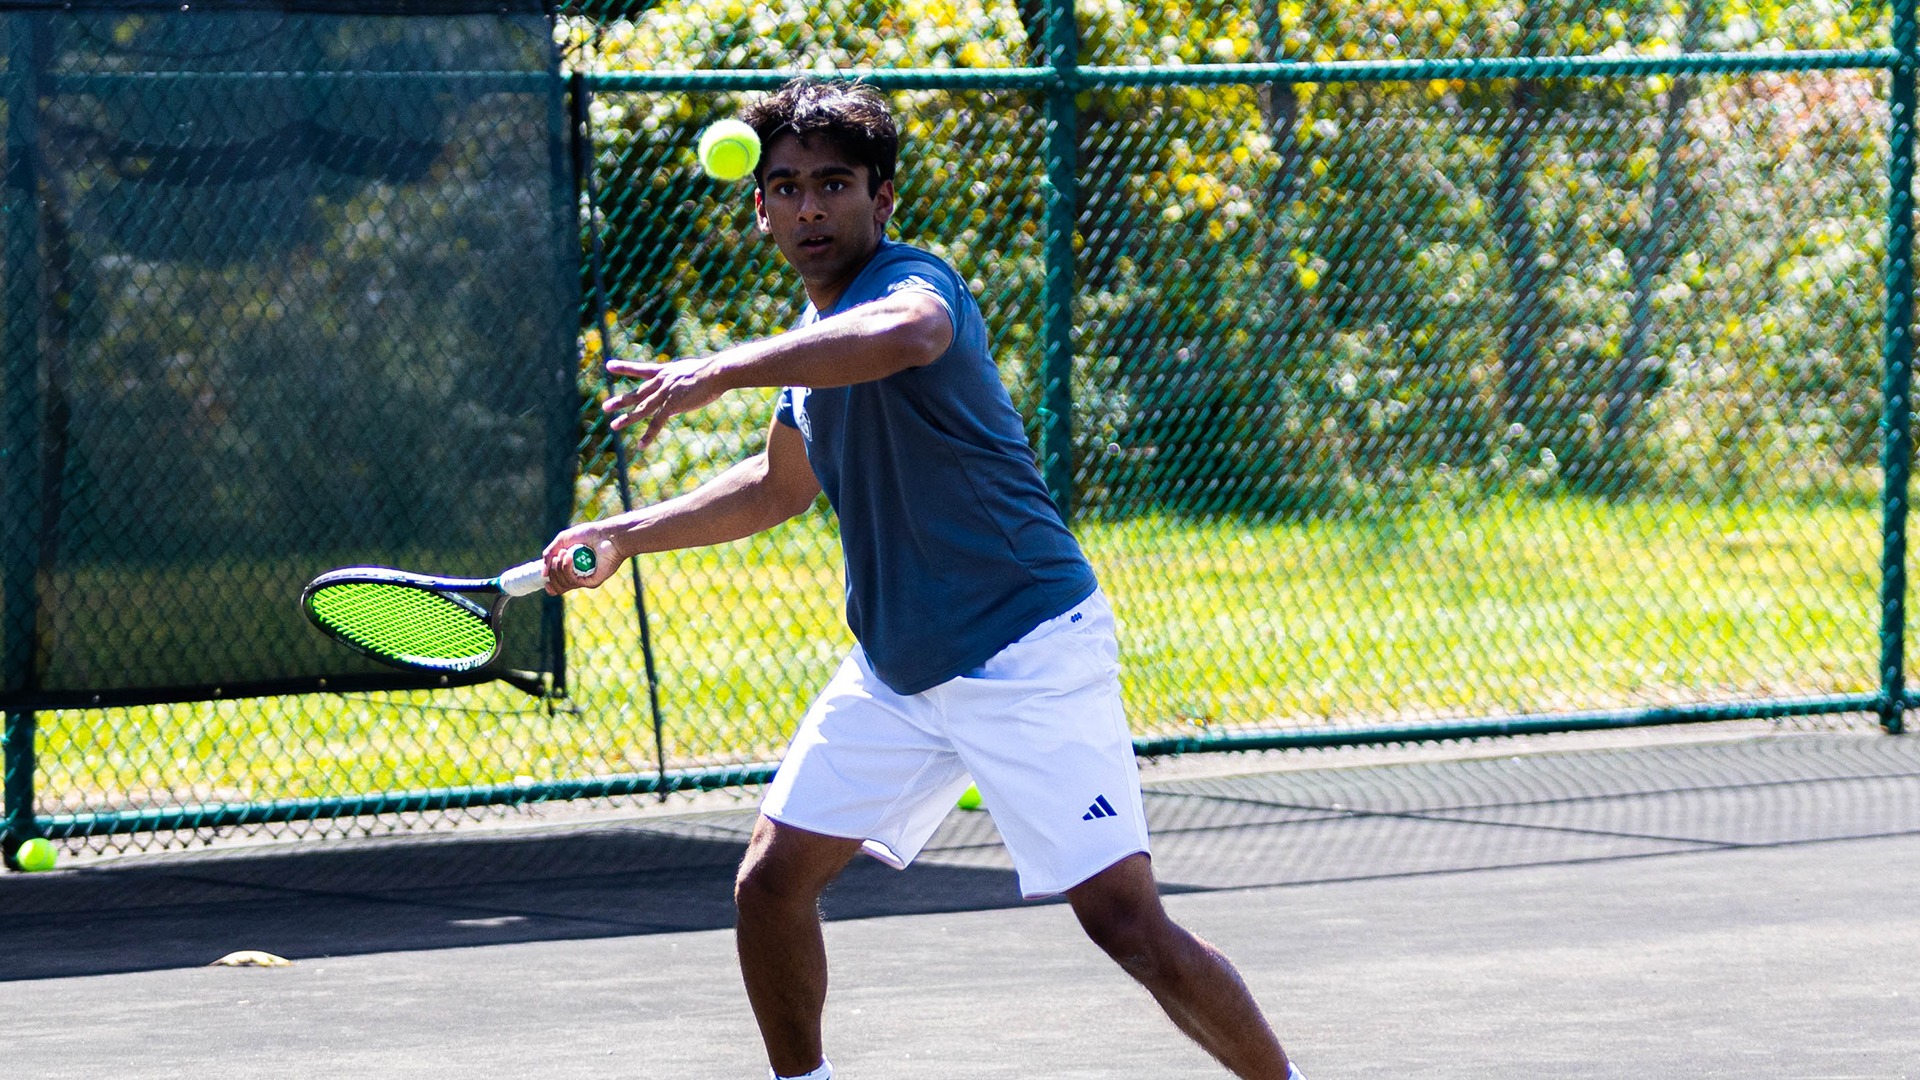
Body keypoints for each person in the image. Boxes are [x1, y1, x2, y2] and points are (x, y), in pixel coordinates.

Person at [542, 77, 1305, 1080]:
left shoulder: (913, 284)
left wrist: (723, 368)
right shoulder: (813, 340)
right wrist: (627, 532)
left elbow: (911, 337)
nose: (811, 207)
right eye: (788, 187)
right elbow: (778, 486)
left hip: (1023, 647)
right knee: (771, 885)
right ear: (759, 205)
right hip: (898, 671)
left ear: (881, 197)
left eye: (834, 184)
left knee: (1128, 926)